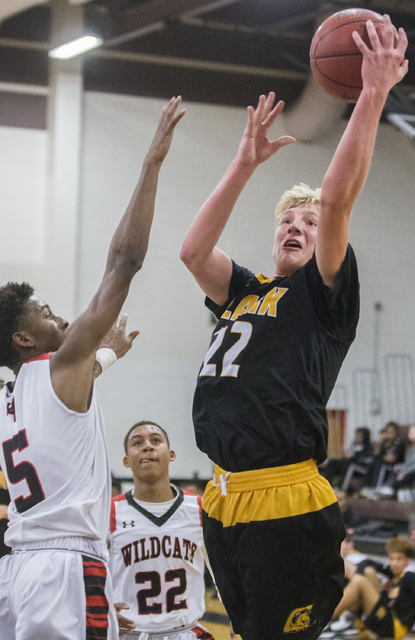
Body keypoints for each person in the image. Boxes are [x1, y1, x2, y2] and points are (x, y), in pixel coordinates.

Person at [180, 15, 408, 640]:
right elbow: (193, 254)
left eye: (309, 224)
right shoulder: (247, 290)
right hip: (224, 495)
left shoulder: (323, 293)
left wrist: (372, 93)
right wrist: (243, 164)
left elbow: (337, 201)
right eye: (289, 220)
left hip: (287, 497)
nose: (298, 227)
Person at [0, 97, 185, 640]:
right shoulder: (60, 366)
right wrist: (151, 162)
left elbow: (67, 402)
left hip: (18, 568)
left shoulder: (13, 392)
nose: (58, 312)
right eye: (43, 311)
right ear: (23, 337)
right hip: (64, 567)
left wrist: (107, 355)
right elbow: (124, 263)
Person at [109, 420, 215, 640]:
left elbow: (222, 572)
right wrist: (101, 607)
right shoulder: (110, 512)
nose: (147, 446)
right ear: (126, 460)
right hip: (129, 633)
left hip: (185, 632)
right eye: (137, 443)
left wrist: (236, 614)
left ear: (171, 454)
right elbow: (90, 570)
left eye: (156, 441)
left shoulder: (199, 508)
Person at [323, 538, 415, 639]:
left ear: (408, 560)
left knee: (359, 581)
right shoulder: (396, 576)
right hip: (384, 617)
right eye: (391, 559)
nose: (394, 563)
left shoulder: (409, 577)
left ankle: (325, 618)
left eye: (399, 559)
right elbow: (371, 564)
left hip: (393, 627)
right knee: (367, 572)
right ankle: (348, 620)